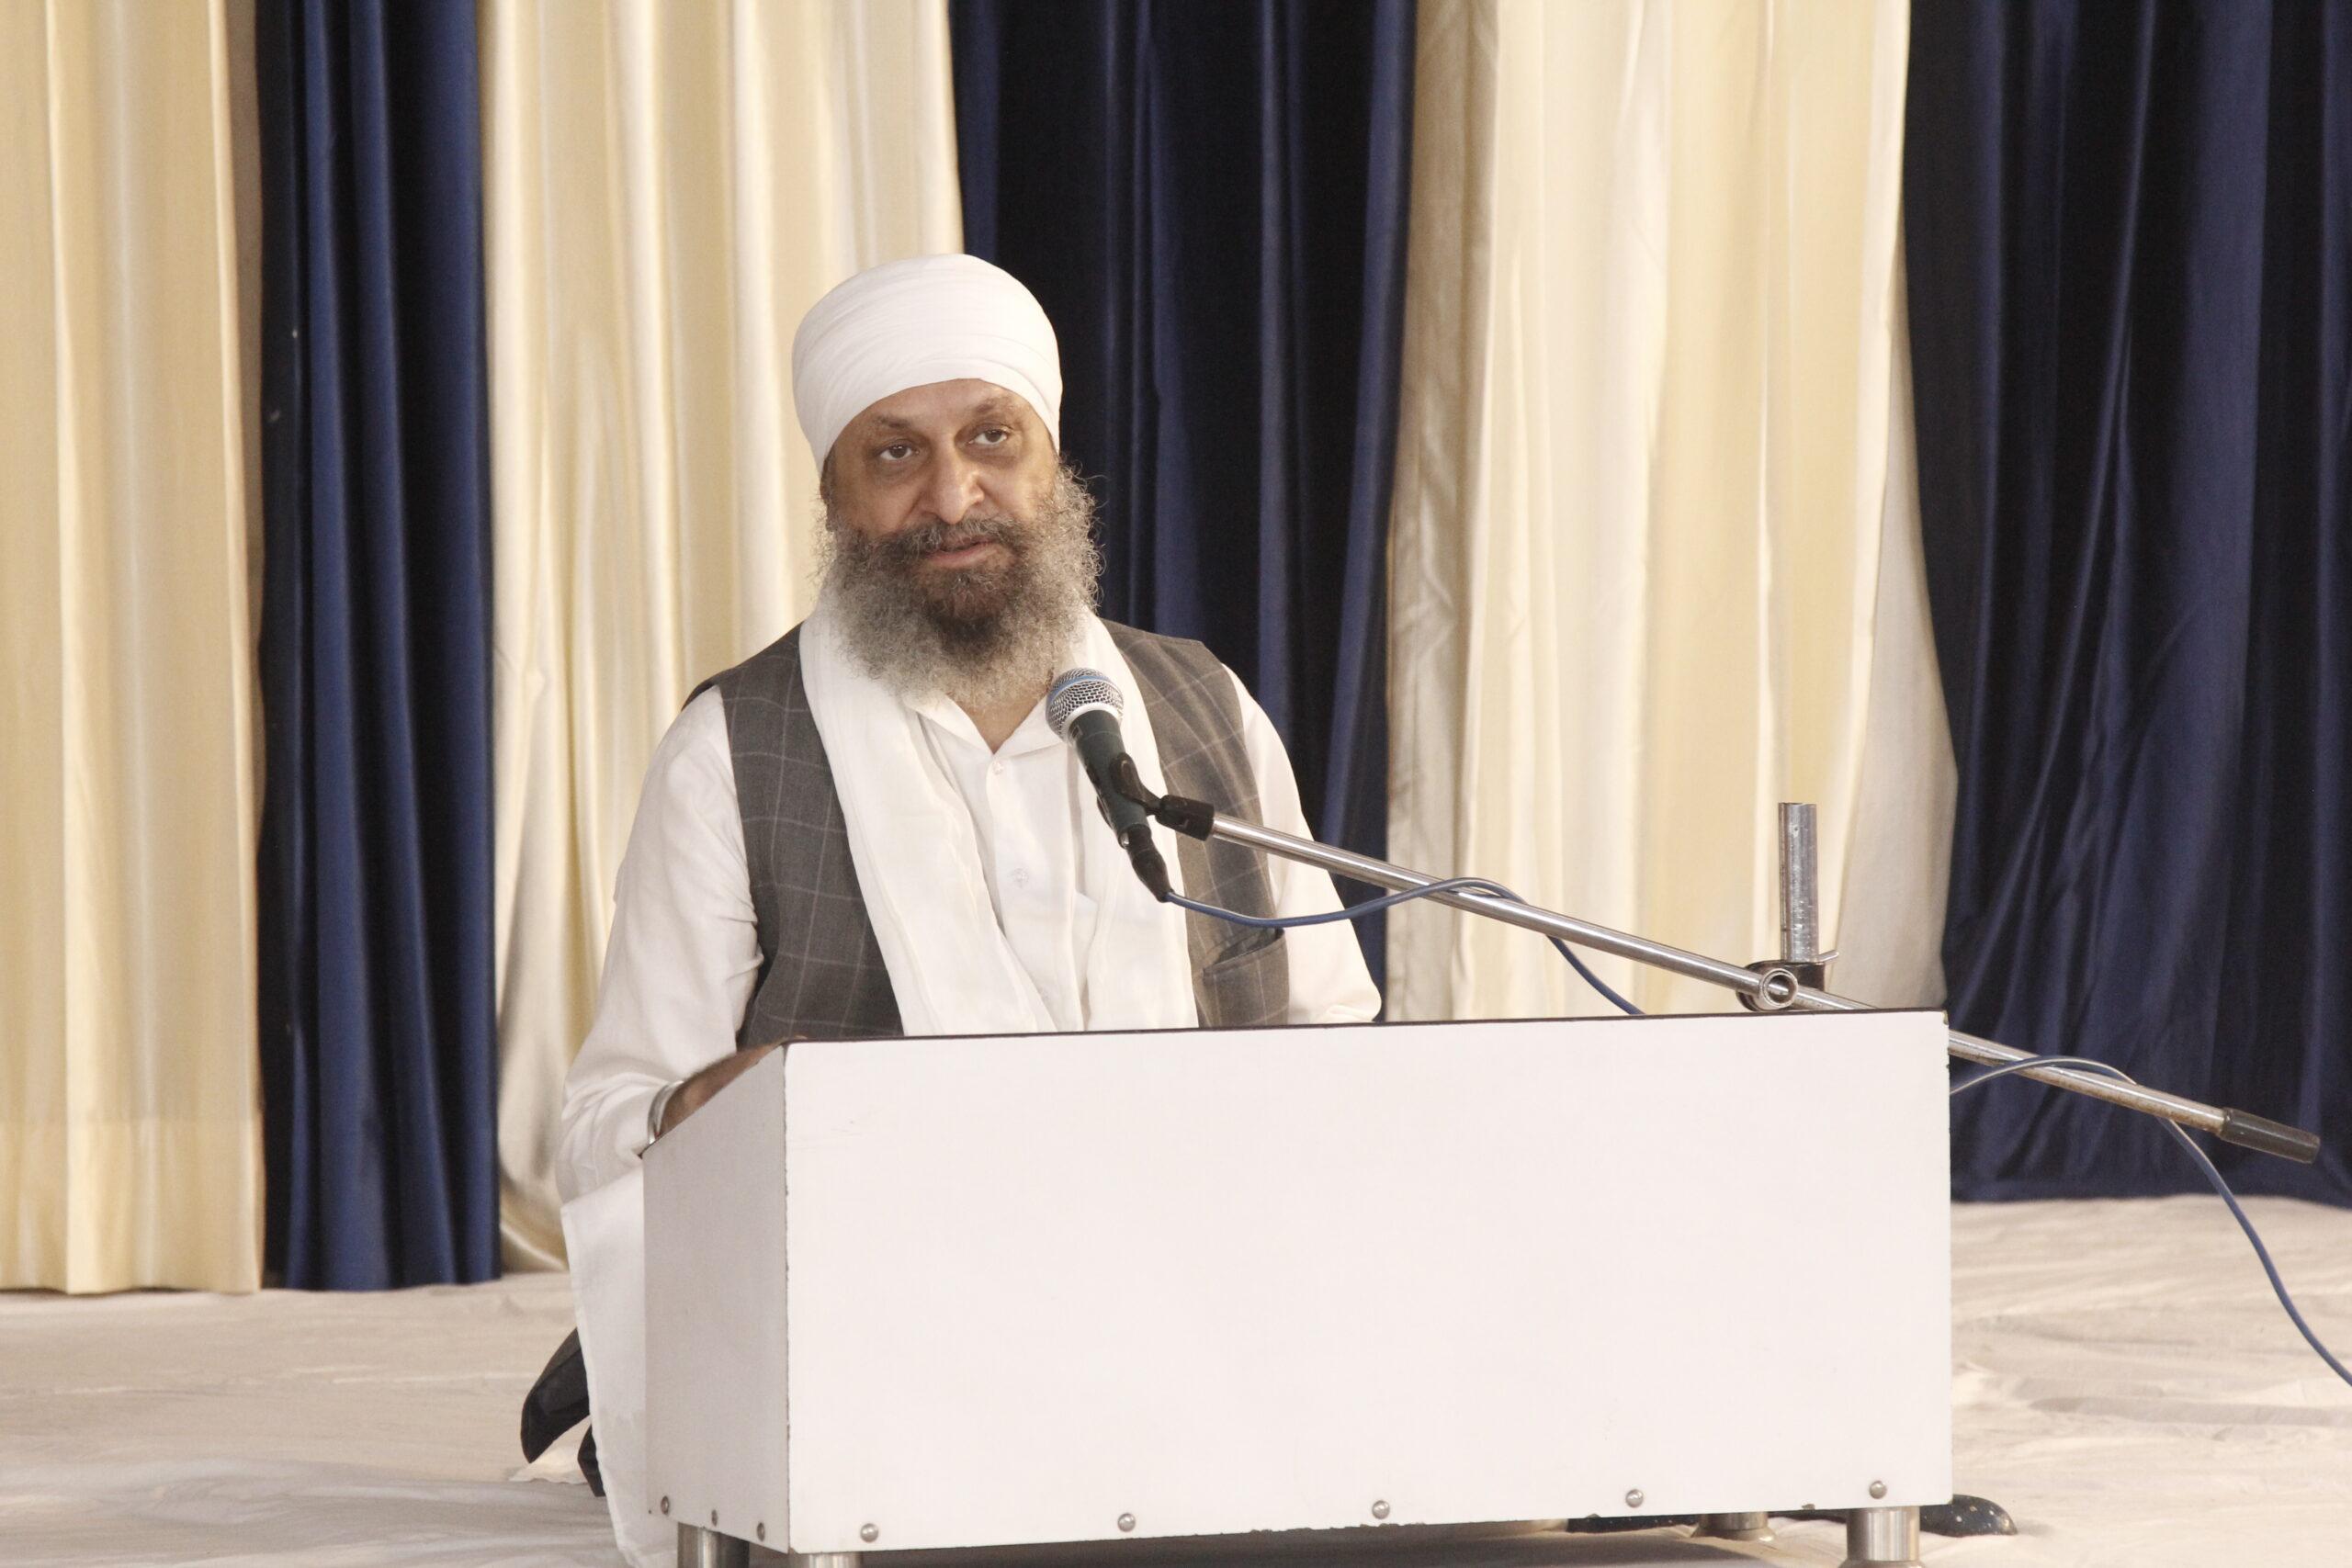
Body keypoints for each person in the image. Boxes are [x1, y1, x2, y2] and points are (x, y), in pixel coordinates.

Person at [539, 254, 1379, 1566]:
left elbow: (1339, 1058)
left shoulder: (1199, 709)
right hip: (879, 1345)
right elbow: (604, 1120)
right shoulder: (734, 751)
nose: (952, 496)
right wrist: (701, 1108)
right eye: (895, 454)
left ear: (1052, 465)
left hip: (1202, 1323)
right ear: (833, 494)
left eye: (992, 439)